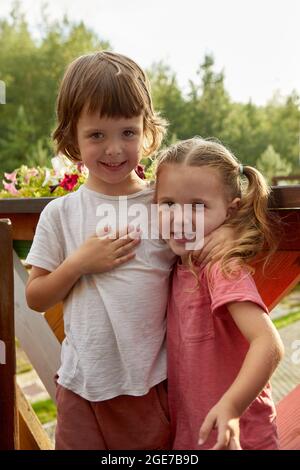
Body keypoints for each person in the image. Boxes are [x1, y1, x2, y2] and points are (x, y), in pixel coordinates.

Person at [25, 52, 233, 450]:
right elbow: (36, 297)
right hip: (79, 388)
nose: (115, 149)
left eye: (127, 133)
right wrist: (79, 264)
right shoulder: (61, 213)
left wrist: (222, 240)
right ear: (72, 138)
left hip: (149, 389)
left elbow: (207, 237)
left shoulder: (163, 205)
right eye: (96, 135)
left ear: (148, 132)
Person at [155, 137, 284, 450]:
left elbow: (269, 344)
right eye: (168, 204)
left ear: (231, 211)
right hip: (195, 438)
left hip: (240, 438)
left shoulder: (220, 268)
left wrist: (232, 407)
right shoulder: (176, 263)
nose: (181, 218)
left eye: (198, 206)